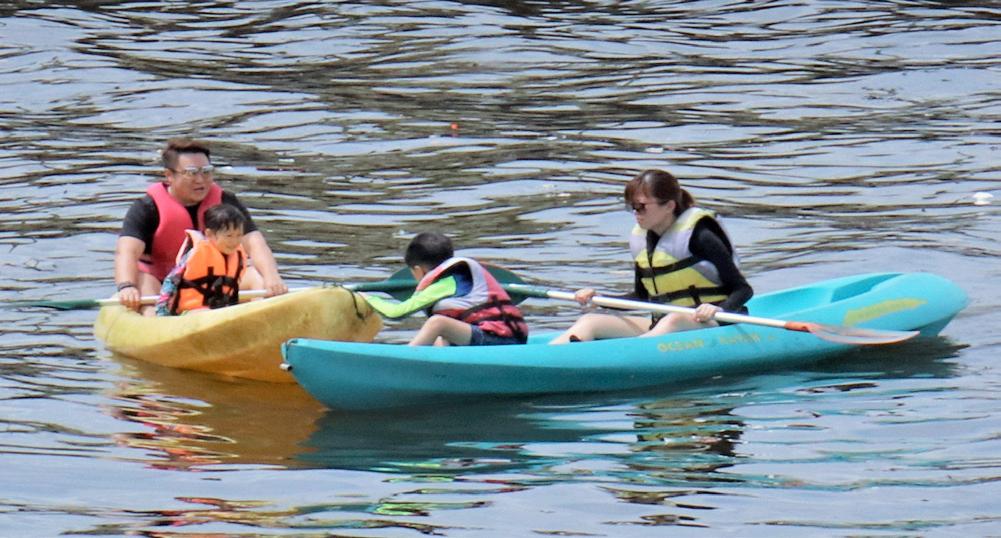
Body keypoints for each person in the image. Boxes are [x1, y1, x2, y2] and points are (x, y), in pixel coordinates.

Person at [551, 169, 753, 344]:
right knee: (590, 321)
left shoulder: (701, 237)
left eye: (641, 207)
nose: (636, 213)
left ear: (669, 206)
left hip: (713, 324)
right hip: (662, 327)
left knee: (674, 319)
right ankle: (551, 356)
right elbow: (642, 297)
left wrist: (718, 310)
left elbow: (743, 289)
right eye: (632, 207)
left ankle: (627, 356)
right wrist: (599, 300)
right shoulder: (644, 241)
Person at [114, 138, 287, 315]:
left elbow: (254, 243)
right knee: (143, 282)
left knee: (257, 277)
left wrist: (272, 277)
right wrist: (127, 286)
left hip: (215, 281)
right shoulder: (147, 208)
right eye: (191, 173)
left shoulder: (226, 201)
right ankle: (154, 321)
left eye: (206, 172)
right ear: (169, 175)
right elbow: (127, 252)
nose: (200, 180)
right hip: (162, 284)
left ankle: (261, 319)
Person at [363, 232, 529, 346]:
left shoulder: (446, 283)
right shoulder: (454, 277)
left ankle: (405, 359)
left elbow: (396, 313)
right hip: (500, 335)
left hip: (501, 339)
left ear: (418, 270)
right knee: (439, 335)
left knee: (437, 323)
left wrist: (366, 298)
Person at [155, 204, 247, 316]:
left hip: (220, 310)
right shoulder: (195, 253)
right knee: (212, 314)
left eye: (239, 235)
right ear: (209, 234)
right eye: (229, 236)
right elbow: (171, 281)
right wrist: (162, 312)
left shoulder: (238, 256)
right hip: (188, 312)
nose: (235, 241)